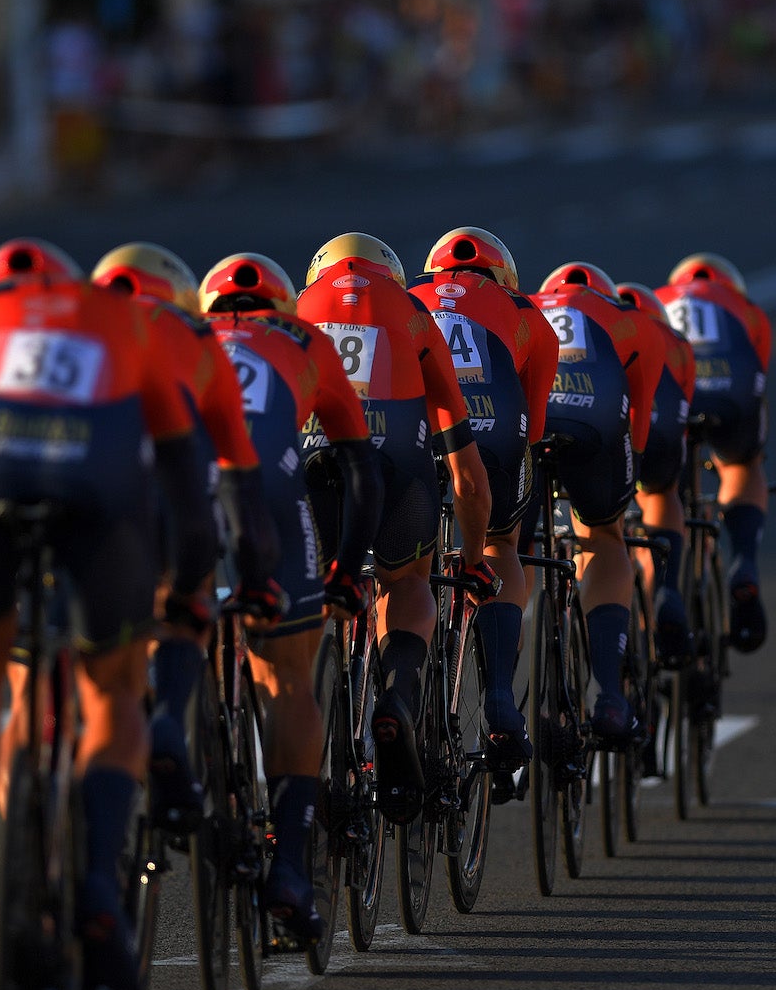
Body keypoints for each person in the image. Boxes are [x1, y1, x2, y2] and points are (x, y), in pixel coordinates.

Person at [0, 238, 220, 990]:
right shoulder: (120, 321)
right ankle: (101, 893)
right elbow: (188, 496)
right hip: (98, 484)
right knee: (113, 687)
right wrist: (179, 599)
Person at [199, 252, 382, 940]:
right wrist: (343, 571)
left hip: (181, 491)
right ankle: (292, 867)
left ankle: (176, 737)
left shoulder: (179, 337)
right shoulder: (307, 342)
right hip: (271, 498)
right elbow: (361, 471)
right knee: (290, 678)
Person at [296, 233, 498, 823]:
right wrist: (475, 553)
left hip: (312, 460)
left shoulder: (293, 314)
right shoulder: (413, 312)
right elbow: (468, 473)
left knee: (303, 601)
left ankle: (291, 772)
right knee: (408, 583)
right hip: (397, 463)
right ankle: (399, 697)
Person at [86, 241, 280, 834]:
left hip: (61, 484)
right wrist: (254, 575)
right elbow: (234, 473)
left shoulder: (74, 328)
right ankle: (168, 716)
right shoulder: (198, 341)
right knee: (185, 607)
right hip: (169, 491)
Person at [411, 227, 558, 781]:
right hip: (493, 432)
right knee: (501, 544)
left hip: (416, 428)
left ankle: (396, 680)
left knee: (400, 568)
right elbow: (536, 428)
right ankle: (498, 694)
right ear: (503, 278)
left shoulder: (409, 301)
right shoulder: (525, 312)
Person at [529, 261, 663, 768]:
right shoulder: (628, 318)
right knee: (606, 536)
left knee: (505, 545)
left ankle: (503, 704)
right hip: (596, 423)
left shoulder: (528, 308)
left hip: (530, 426)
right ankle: (609, 694)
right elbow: (642, 424)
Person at [652, 253, 773, 654]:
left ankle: (663, 588)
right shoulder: (747, 310)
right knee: (743, 463)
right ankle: (744, 560)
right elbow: (757, 376)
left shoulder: (658, 297)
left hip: (670, 389)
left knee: (656, 490)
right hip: (728, 390)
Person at [616, 280, 695, 666]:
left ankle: (587, 604)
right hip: (658, 432)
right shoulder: (673, 339)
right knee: (662, 492)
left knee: (596, 526)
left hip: (599, 428)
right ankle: (665, 588)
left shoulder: (599, 323)